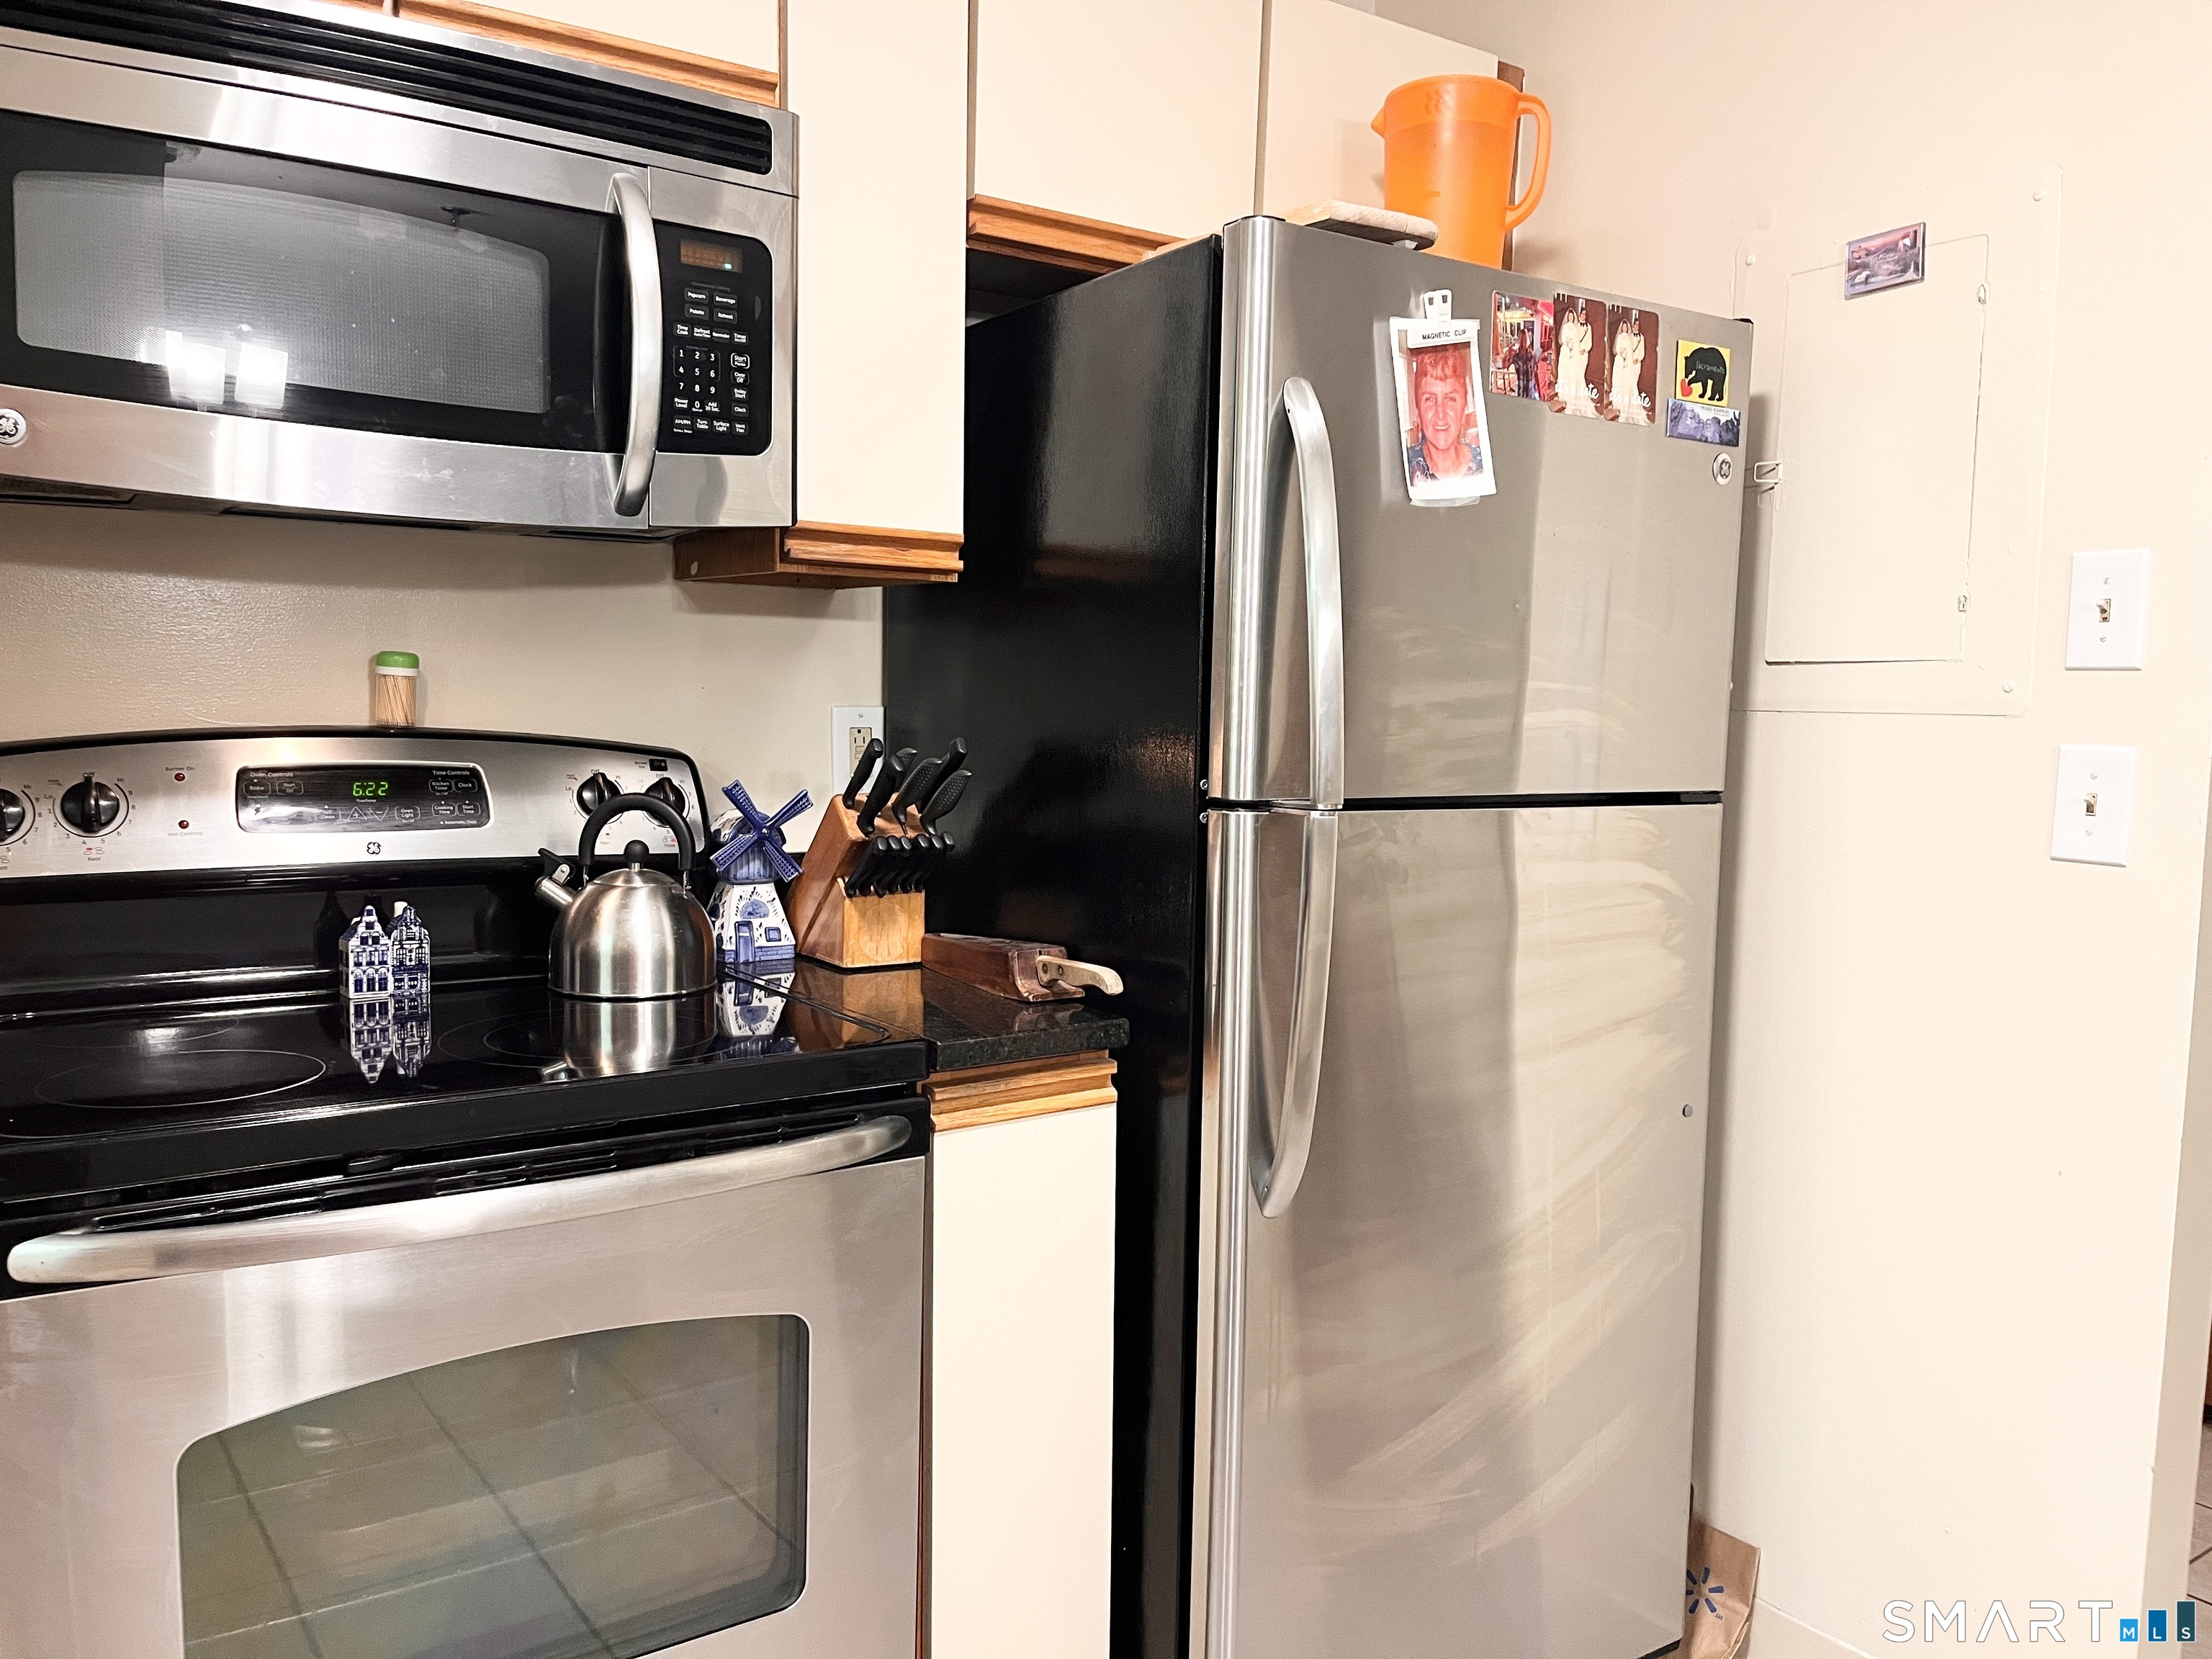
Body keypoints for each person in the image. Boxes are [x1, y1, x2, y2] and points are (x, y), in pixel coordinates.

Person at [1406, 344, 1480, 485]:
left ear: (1464, 409)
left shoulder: (1485, 461)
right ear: (1418, 412)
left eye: (1450, 399)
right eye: (1429, 399)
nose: (1440, 414)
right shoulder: (1403, 466)